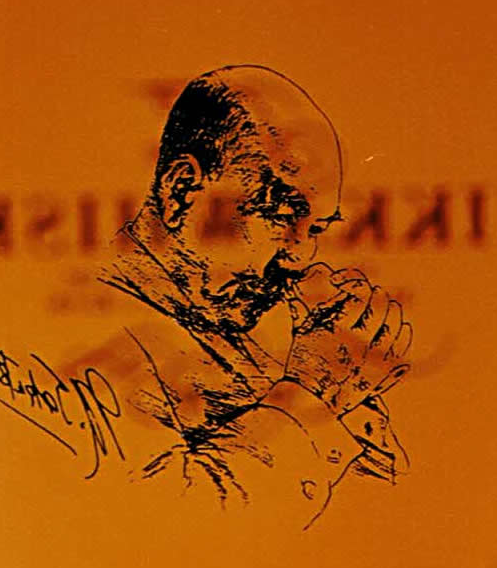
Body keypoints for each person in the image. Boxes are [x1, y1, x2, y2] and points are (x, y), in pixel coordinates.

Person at [98, 65, 412, 528]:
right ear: (181, 192)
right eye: (281, 215)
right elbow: (169, 529)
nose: (300, 257)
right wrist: (310, 395)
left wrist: (348, 411)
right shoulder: (85, 337)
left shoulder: (240, 337)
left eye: (316, 229)